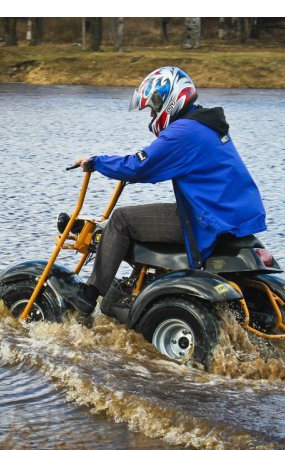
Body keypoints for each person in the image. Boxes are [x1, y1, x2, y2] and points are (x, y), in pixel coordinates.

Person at [68, 66, 267, 314]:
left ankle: (89, 295)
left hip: (208, 217)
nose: (151, 113)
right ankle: (138, 285)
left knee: (121, 220)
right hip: (231, 212)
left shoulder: (183, 132)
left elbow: (139, 166)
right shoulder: (206, 124)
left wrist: (96, 162)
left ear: (169, 100)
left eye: (153, 106)